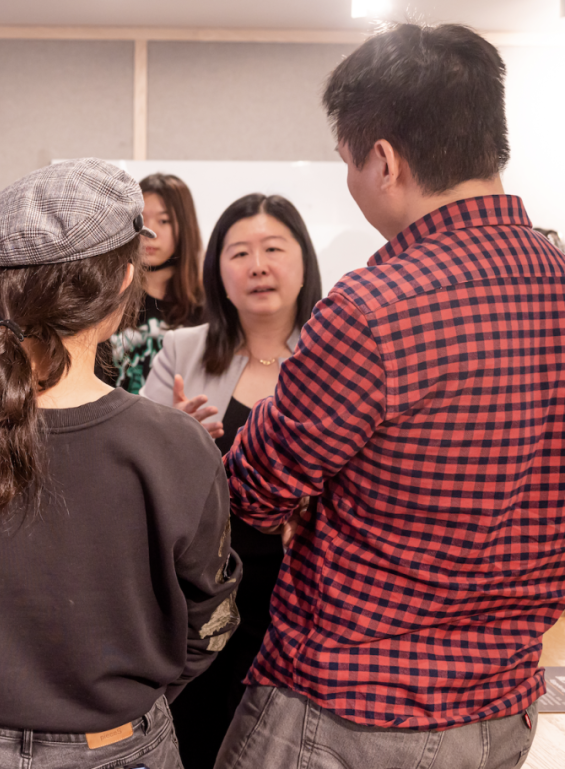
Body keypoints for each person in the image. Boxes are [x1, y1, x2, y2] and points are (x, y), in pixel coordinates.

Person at [215, 24, 564, 768]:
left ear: (383, 160)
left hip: (348, 712)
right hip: (505, 705)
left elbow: (252, 491)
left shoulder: (373, 308)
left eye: (348, 161)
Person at [0, 158, 242, 769]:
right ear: (125, 281)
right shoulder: (176, 444)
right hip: (116, 745)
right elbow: (209, 616)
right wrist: (128, 701)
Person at [141, 193, 322, 768]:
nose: (258, 266)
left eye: (273, 249)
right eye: (239, 253)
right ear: (218, 272)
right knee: (197, 738)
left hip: (301, 592)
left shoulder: (333, 354)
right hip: (203, 594)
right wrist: (175, 438)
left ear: (303, 262)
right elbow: (137, 469)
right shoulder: (182, 349)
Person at [99, 172, 206, 393]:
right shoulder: (107, 302)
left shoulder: (208, 307)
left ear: (184, 227)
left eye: (164, 221)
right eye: (141, 220)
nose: (150, 232)